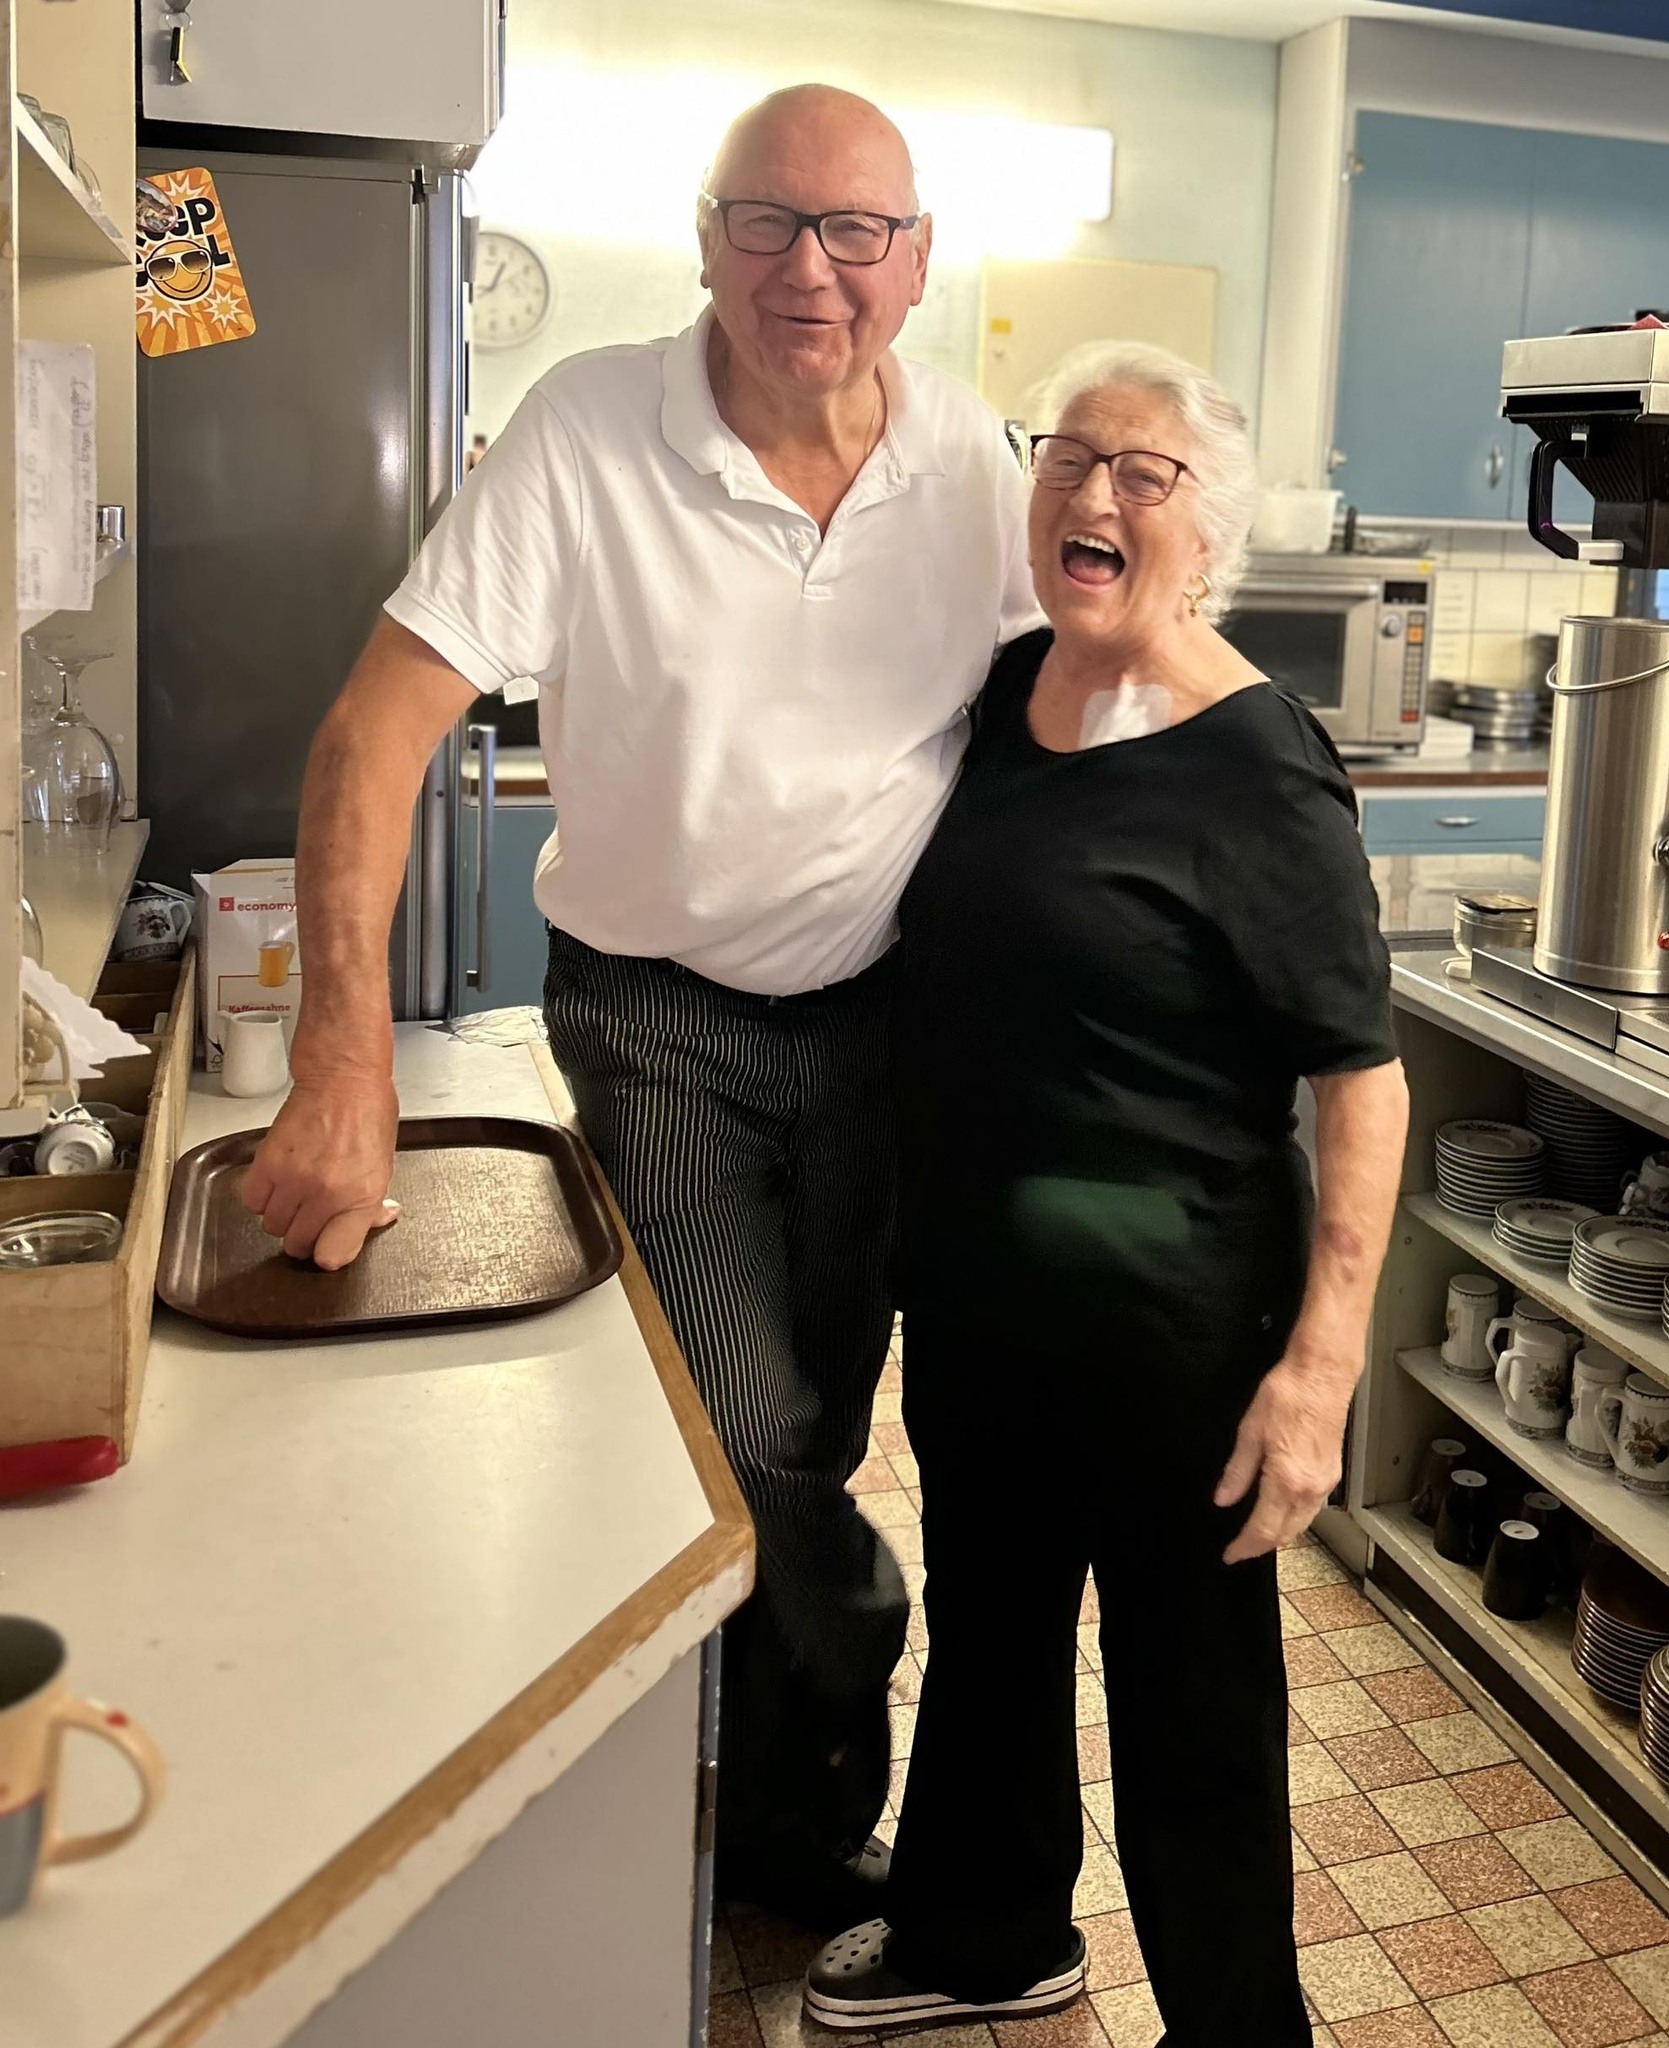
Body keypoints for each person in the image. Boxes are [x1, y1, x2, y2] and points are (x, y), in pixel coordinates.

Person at [238, 84, 1038, 1930]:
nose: (809, 270)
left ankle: (758, 1818)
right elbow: (372, 735)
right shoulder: (591, 427)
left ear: (913, 266)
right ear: (703, 237)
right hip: (657, 1012)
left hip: (881, 1028)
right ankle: (825, 1751)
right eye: (767, 222)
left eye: (855, 233)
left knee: (814, 1438)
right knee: (751, 1437)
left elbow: (1075, 695)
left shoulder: (980, 467)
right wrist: (340, 1059)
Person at [802, 343, 1410, 2042]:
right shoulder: (1005, 696)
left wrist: (1321, 1368)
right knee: (990, 1640)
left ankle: (1236, 2030)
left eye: (1148, 475)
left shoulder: (1259, 761)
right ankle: (986, 1937)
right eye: (1072, 458)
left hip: (1180, 1331)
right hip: (989, 1304)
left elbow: (1362, 1080)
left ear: (1207, 531)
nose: (1097, 496)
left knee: (1190, 1700)